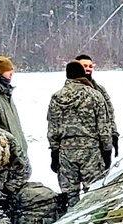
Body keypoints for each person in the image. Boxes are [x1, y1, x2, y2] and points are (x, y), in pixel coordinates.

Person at [47, 61, 113, 208]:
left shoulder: (56, 98)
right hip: (91, 151)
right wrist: (107, 151)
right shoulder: (95, 96)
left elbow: (52, 128)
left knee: (70, 196)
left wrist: (54, 152)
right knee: (95, 194)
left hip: (66, 152)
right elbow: (104, 127)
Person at [75, 53, 119, 159]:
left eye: (90, 66)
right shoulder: (68, 93)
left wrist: (113, 135)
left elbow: (109, 114)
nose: (88, 69)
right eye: (85, 66)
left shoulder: (100, 90)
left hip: (98, 147)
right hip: (75, 148)